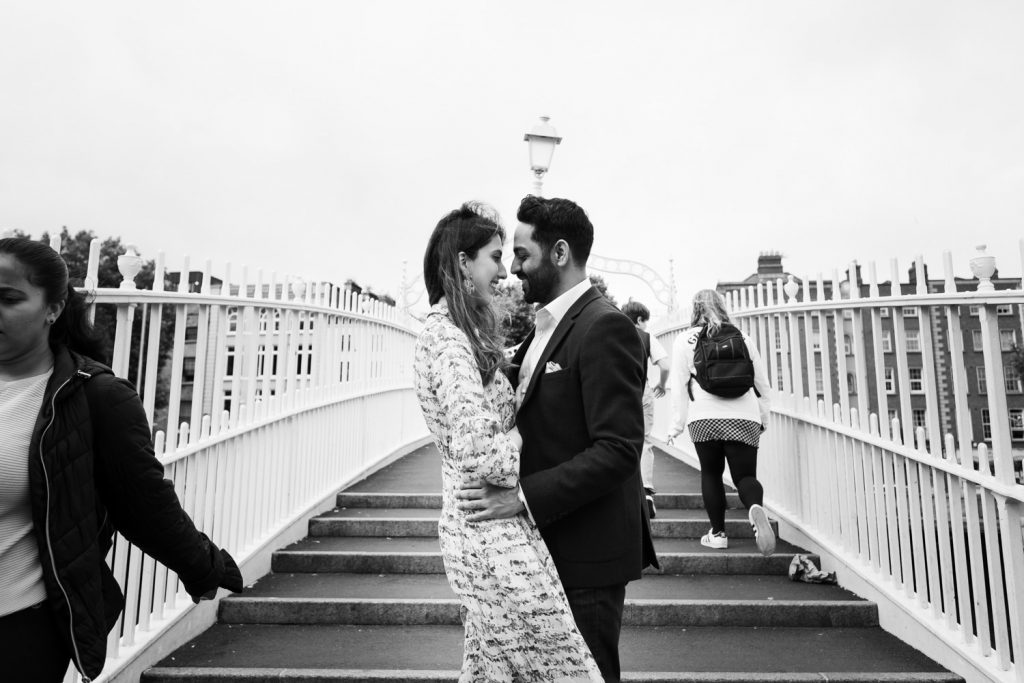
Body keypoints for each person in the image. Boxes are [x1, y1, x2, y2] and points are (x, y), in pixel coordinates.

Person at [0, 237, 244, 682]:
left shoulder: (93, 395)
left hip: (17, 628)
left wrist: (203, 564)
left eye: (9, 298)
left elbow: (142, 499)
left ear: (53, 308)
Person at [458, 195, 658, 683]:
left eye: (523, 255)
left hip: (586, 554)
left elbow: (618, 450)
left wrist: (520, 499)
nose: (514, 269)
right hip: (548, 548)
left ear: (561, 253)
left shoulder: (605, 326)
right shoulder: (544, 327)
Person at [413, 202, 602, 682]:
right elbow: (481, 453)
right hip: (487, 528)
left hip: (485, 527)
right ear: (462, 261)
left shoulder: (455, 333)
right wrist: (517, 436)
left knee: (492, 669)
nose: (505, 271)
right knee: (564, 667)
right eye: (496, 257)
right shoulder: (448, 340)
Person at [668, 288, 775, 556]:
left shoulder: (684, 340)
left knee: (712, 473)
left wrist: (676, 426)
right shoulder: (743, 337)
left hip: (704, 418)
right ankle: (754, 507)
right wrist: (763, 417)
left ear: (695, 310)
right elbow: (761, 383)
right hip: (744, 415)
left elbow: (679, 387)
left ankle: (717, 534)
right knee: (746, 476)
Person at [620, 300, 669, 519]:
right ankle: (646, 492)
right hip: (642, 392)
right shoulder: (647, 338)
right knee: (645, 441)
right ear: (640, 319)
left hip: (618, 394)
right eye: (645, 321)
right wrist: (661, 384)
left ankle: (623, 490)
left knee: (618, 439)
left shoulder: (614, 334)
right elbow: (665, 365)